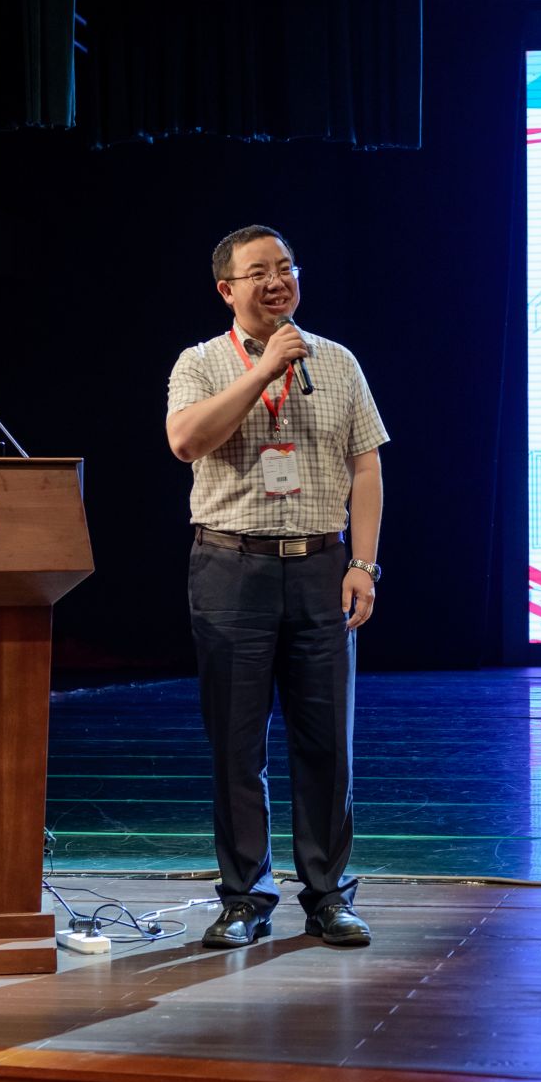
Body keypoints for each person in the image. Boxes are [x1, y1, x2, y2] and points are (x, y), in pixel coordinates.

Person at [165, 224, 388, 949]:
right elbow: (186, 441)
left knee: (327, 744)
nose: (277, 280)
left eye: (286, 267)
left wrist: (363, 564)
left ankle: (329, 897)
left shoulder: (338, 362)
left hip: (322, 568)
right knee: (237, 745)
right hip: (232, 568)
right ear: (226, 289)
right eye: (258, 270)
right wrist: (262, 371)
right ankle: (244, 898)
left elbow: (366, 466)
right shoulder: (201, 363)